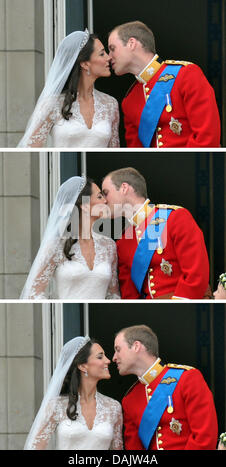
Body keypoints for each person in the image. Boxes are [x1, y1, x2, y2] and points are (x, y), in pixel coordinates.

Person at [108, 21, 221, 148]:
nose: (109, 57)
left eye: (112, 49)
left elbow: (207, 138)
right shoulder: (129, 101)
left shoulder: (186, 74)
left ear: (131, 43)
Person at [102, 167, 209, 299]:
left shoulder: (175, 218)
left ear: (124, 188)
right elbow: (130, 295)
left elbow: (197, 275)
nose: (104, 201)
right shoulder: (123, 242)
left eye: (106, 193)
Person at [113, 324, 218, 450]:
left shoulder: (187, 378)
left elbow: (205, 437)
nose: (114, 357)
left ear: (136, 346)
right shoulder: (130, 399)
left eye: (118, 349)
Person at [20, 176, 120, 299]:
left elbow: (113, 294)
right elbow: (33, 294)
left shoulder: (109, 246)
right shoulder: (56, 245)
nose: (105, 201)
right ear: (84, 205)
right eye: (99, 197)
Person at [18, 30, 120, 147]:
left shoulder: (111, 104)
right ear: (85, 64)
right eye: (102, 54)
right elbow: (29, 147)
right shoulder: (52, 104)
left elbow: (114, 147)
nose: (109, 58)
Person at [24, 336, 123, 450]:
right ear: (82, 366)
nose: (108, 360)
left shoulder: (114, 407)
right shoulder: (57, 406)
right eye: (100, 357)